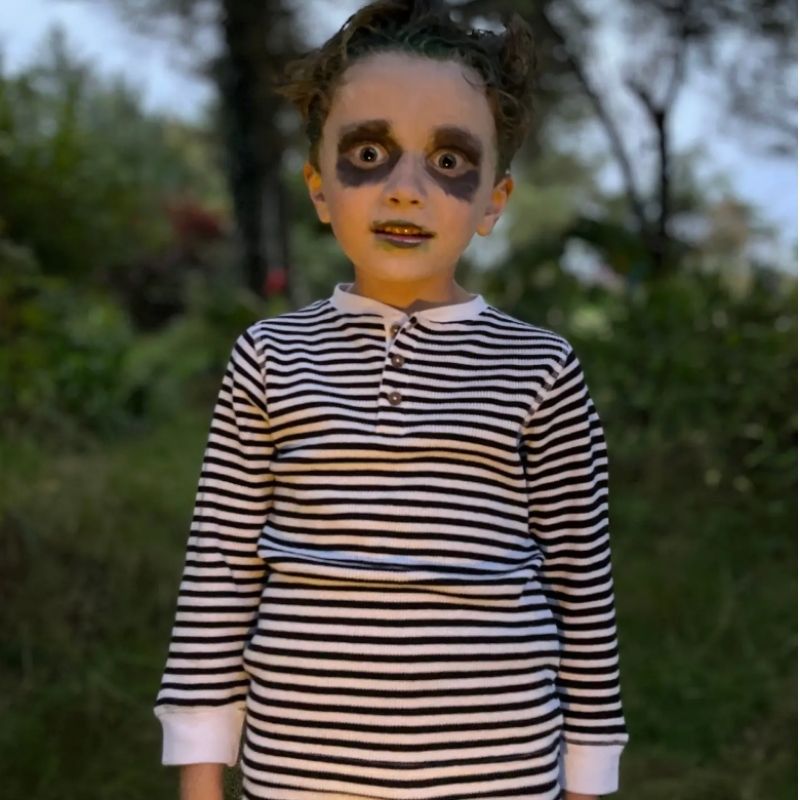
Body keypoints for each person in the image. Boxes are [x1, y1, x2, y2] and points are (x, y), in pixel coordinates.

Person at [152, 2, 629, 799]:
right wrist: (201, 779)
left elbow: (582, 589)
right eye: (369, 152)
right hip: (302, 775)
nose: (406, 190)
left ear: (494, 202)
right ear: (318, 187)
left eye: (449, 162)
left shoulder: (540, 368)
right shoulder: (268, 359)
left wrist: (589, 780)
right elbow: (219, 579)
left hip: (500, 774)